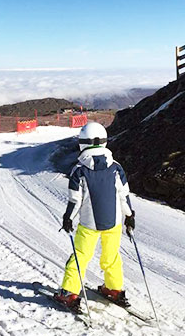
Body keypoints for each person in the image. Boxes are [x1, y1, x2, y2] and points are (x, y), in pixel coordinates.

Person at [54, 122, 135, 310]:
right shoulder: (115, 167)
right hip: (113, 223)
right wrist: (129, 216)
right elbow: (124, 194)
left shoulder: (79, 170)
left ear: (83, 143)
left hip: (89, 224)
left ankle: (69, 292)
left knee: (80, 256)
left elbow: (75, 200)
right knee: (112, 256)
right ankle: (114, 289)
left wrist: (68, 219)